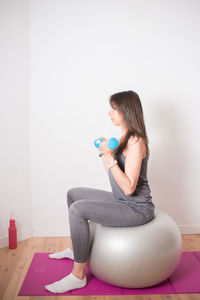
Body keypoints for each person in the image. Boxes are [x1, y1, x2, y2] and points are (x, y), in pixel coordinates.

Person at [45, 90, 155, 293]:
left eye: (114, 109)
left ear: (126, 110)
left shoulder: (135, 141)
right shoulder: (124, 139)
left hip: (137, 209)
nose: (109, 113)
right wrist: (107, 155)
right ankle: (77, 249)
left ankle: (77, 276)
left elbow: (129, 187)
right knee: (73, 193)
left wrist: (111, 158)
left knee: (78, 209)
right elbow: (113, 177)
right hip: (121, 200)